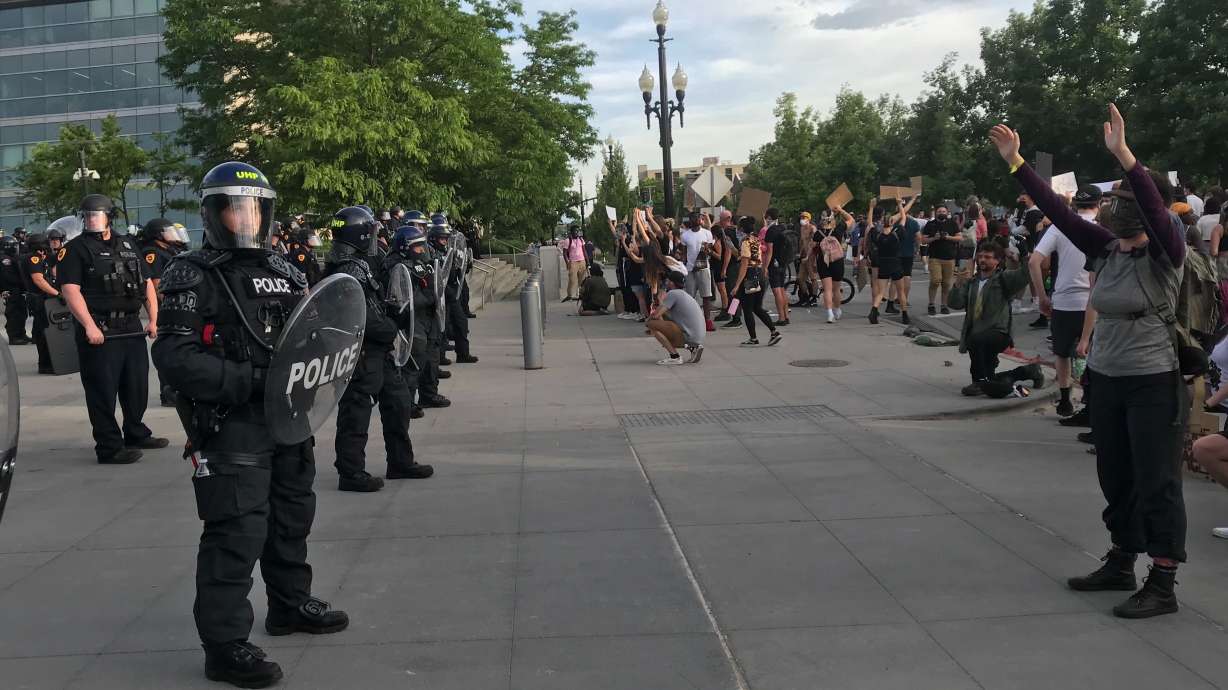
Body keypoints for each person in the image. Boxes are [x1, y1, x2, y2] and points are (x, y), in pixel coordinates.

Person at [151, 162, 348, 689]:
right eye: (233, 207)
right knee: (236, 533)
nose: (244, 217)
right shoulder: (192, 273)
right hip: (233, 422)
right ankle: (225, 645)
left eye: (254, 207)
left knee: (291, 517)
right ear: (212, 213)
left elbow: (319, 335)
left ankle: (288, 605)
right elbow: (173, 356)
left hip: (290, 418)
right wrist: (250, 379)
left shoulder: (286, 271)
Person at [991, 104, 1187, 619]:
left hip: (1153, 380)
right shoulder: (1108, 250)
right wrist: (1017, 164)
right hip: (1108, 378)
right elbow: (1057, 213)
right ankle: (1122, 559)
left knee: (1156, 479)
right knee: (1115, 473)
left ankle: (1163, 579)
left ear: (1151, 212)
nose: (1114, 208)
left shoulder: (1167, 252)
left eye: (1125, 200)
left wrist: (1124, 156)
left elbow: (1149, 200)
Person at [58, 194, 167, 464]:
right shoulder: (75, 249)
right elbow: (70, 290)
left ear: (109, 216)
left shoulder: (128, 244)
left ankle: (135, 432)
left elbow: (147, 284)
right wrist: (89, 326)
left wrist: (153, 319)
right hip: (100, 330)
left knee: (136, 385)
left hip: (130, 326)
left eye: (97, 214)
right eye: (87, 215)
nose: (92, 219)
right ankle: (108, 446)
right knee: (102, 390)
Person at [325, 206, 426, 493]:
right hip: (361, 352)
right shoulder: (345, 269)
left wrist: (393, 312)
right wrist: (390, 327)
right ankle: (351, 471)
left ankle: (400, 461)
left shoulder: (359, 264)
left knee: (398, 402)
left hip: (379, 351)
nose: (373, 237)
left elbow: (374, 303)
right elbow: (357, 316)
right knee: (356, 412)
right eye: (370, 232)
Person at [1028, 187, 1095, 417]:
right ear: (1099, 203)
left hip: (1064, 299)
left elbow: (1034, 262)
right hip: (1094, 301)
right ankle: (1090, 401)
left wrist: (1042, 297)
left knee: (1062, 353)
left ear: (1075, 204)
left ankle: (1065, 399)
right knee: (1095, 355)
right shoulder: (1106, 227)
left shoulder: (1060, 226)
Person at [949, 240, 1045, 398]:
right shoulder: (972, 282)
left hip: (998, 332)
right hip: (978, 333)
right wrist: (958, 284)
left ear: (997, 261)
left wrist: (1024, 255)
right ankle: (1029, 371)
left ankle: (978, 382)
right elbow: (955, 303)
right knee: (992, 379)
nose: (982, 260)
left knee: (975, 341)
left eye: (987, 257)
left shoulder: (1003, 279)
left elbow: (1026, 274)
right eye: (980, 256)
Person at [139, 218, 189, 406]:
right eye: (167, 231)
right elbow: (156, 284)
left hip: (180, 307)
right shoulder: (152, 252)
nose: (172, 235)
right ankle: (168, 393)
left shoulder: (171, 250)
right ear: (157, 234)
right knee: (169, 350)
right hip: (167, 309)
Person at [428, 218, 478, 364]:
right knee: (440, 328)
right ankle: (440, 358)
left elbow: (455, 269)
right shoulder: (430, 253)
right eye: (442, 239)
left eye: (446, 239)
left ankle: (463, 353)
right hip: (440, 294)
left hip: (451, 292)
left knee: (461, 322)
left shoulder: (447, 252)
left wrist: (463, 264)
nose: (444, 242)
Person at [730, 216, 781, 347]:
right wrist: (730, 247)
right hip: (759, 273)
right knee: (757, 307)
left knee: (747, 308)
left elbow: (744, 264)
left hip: (749, 275)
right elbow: (746, 256)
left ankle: (753, 338)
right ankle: (774, 331)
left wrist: (737, 285)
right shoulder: (756, 240)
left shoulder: (745, 242)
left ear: (741, 228)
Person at [646, 271, 705, 364]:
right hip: (697, 336)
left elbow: (656, 315)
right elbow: (665, 315)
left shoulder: (673, 293)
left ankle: (675, 357)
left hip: (689, 336)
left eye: (667, 281)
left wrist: (660, 300)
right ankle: (693, 348)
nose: (666, 283)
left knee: (651, 325)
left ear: (671, 283)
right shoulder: (684, 294)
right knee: (658, 323)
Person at [22, 233, 59, 374]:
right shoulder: (33, 258)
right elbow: (38, 280)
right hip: (39, 299)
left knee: (44, 331)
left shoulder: (40, 258)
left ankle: (48, 362)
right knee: (43, 332)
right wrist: (57, 293)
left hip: (42, 299)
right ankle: (45, 364)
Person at [680, 213, 715, 331]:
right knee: (690, 297)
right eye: (693, 218)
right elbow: (684, 253)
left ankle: (708, 321)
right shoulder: (685, 235)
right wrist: (682, 266)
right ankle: (692, 321)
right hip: (690, 269)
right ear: (690, 220)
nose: (696, 220)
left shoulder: (707, 233)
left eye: (698, 218)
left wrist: (707, 250)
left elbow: (710, 251)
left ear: (701, 220)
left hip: (704, 268)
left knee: (706, 296)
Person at [923, 203, 960, 314]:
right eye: (939, 211)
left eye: (943, 211)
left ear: (947, 212)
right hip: (935, 257)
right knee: (935, 280)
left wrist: (948, 237)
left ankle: (944, 305)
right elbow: (923, 240)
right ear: (936, 212)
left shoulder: (952, 223)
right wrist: (934, 238)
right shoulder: (930, 224)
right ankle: (931, 304)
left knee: (946, 283)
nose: (941, 213)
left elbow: (959, 237)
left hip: (949, 258)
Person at [821, 208, 852, 323]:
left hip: (823, 262)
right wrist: (840, 210)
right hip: (837, 261)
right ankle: (837, 309)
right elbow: (851, 219)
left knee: (827, 290)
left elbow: (813, 248)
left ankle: (829, 314)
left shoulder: (818, 232)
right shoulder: (839, 228)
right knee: (836, 289)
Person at [762, 208, 791, 326]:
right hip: (783, 262)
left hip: (774, 263)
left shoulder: (771, 231)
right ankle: (786, 316)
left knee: (776, 290)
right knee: (782, 289)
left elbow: (769, 251)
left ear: (769, 217)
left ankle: (781, 318)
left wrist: (765, 267)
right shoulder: (782, 228)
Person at [1, 236, 29, 344]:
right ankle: (14, 337)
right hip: (12, 290)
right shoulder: (5, 259)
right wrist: (22, 283)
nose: (16, 248)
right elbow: (9, 277)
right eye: (14, 246)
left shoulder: (11, 257)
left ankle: (21, 334)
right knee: (14, 315)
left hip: (17, 290)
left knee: (21, 313)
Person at [560, 225, 587, 302]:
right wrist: (567, 262)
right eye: (575, 231)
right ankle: (569, 295)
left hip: (582, 261)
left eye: (578, 231)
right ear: (571, 232)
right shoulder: (568, 241)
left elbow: (584, 251)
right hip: (573, 262)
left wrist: (587, 262)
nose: (577, 232)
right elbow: (564, 253)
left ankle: (580, 295)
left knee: (582, 280)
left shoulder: (581, 240)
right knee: (572, 280)